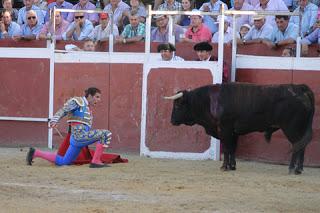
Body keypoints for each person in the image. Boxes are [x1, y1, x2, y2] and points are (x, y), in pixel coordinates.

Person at [26, 87, 112, 168]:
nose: (98, 100)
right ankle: (96, 161)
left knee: (64, 162)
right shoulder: (78, 101)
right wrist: (54, 120)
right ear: (89, 96)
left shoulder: (87, 107)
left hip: (76, 138)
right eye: (97, 97)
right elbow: (64, 110)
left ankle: (36, 153)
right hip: (79, 136)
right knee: (106, 134)